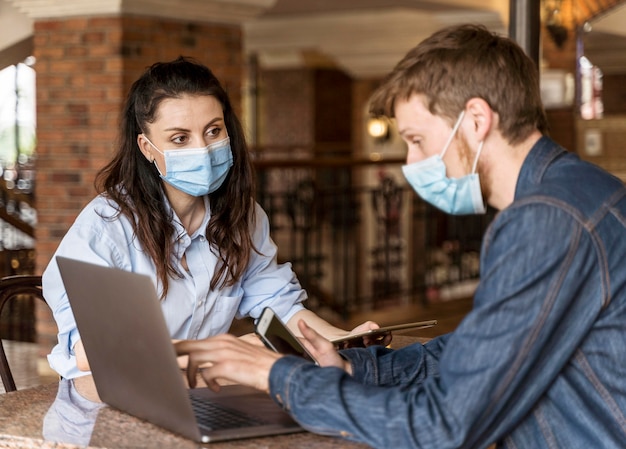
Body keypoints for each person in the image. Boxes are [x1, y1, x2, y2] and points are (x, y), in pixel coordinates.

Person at [175, 24, 626, 449]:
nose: (411, 163)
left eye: (416, 139)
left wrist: (278, 376)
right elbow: (477, 349)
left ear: (475, 119)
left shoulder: (546, 220)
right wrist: (356, 368)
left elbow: (443, 425)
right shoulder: (582, 189)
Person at [43, 56, 379, 380]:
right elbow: (92, 350)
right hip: (104, 396)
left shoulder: (243, 217)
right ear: (147, 148)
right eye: (180, 138)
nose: (202, 149)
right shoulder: (105, 227)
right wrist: (220, 352)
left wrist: (342, 339)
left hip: (195, 387)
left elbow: (279, 306)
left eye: (213, 131)